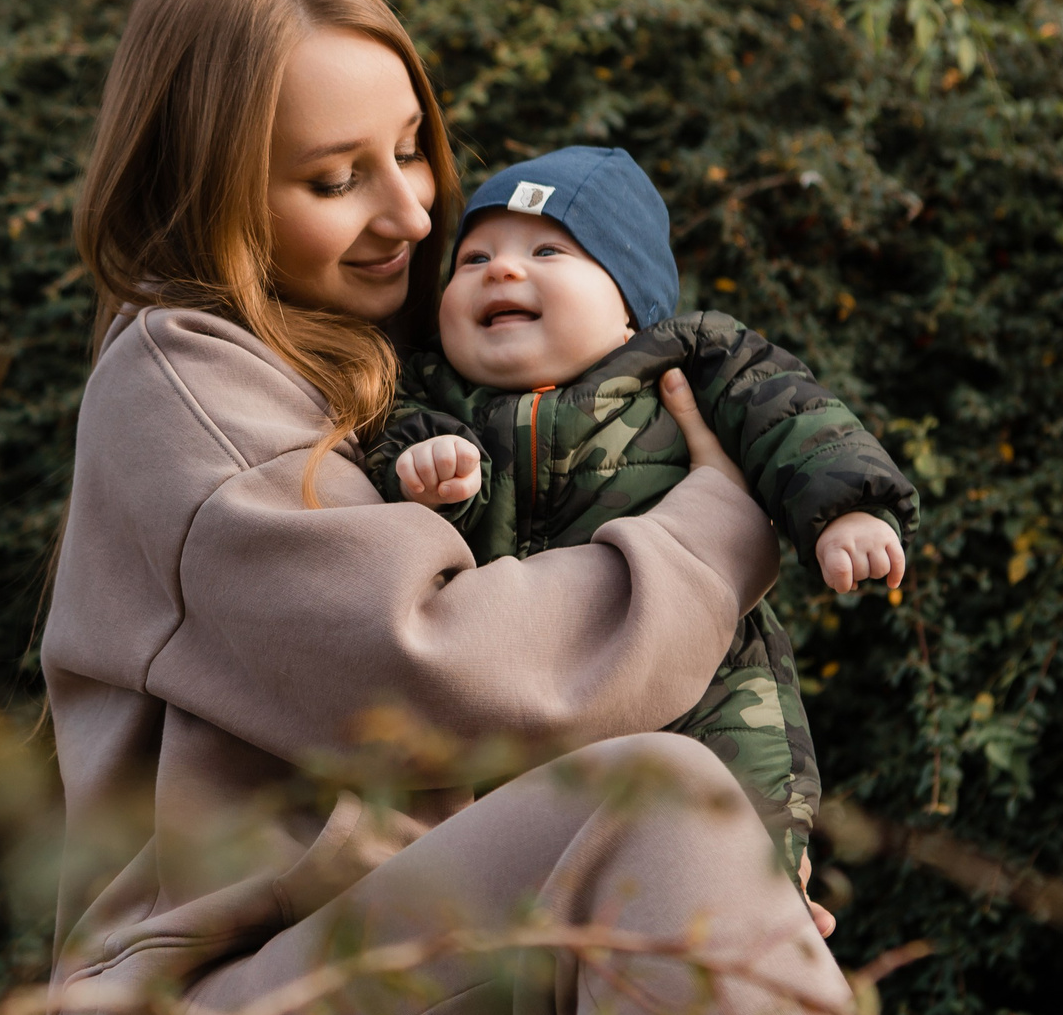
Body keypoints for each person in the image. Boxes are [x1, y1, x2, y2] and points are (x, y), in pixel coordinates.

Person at [41, 0, 1063, 1015]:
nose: (411, 209)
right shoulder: (181, 380)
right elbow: (447, 675)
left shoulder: (410, 373)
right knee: (648, 808)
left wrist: (722, 916)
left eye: (411, 148)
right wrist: (722, 517)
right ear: (201, 190)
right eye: (335, 180)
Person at [367, 144, 917, 886]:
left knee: (734, 815)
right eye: (473, 258)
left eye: (547, 251)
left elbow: (790, 414)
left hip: (701, 678)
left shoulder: (689, 360)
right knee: (522, 863)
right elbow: (389, 466)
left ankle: (765, 900)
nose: (501, 270)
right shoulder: (428, 393)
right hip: (524, 689)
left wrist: (849, 509)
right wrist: (422, 469)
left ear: (629, 308)